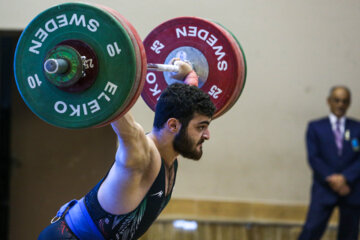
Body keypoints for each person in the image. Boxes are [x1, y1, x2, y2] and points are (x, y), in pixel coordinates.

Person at [38, 61, 216, 240]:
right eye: (201, 127)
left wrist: (190, 76)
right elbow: (117, 109)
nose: (207, 135)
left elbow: (187, 102)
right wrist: (94, 75)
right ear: (173, 125)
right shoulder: (142, 154)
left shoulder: (170, 154)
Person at [298, 86, 360, 240]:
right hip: (324, 188)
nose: (340, 104)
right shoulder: (316, 127)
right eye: (337, 100)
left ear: (349, 103)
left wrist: (345, 178)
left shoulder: (356, 128)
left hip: (350, 189)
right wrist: (333, 179)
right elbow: (314, 158)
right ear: (329, 101)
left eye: (344, 101)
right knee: (311, 231)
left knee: (349, 234)